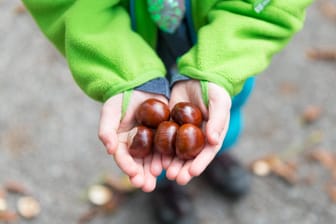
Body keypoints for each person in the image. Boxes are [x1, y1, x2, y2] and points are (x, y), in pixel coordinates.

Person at [22, 0, 312, 223]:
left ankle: (218, 152)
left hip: (221, 46)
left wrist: (223, 63)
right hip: (137, 42)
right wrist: (120, 68)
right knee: (155, 149)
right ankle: (163, 184)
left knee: (219, 114)